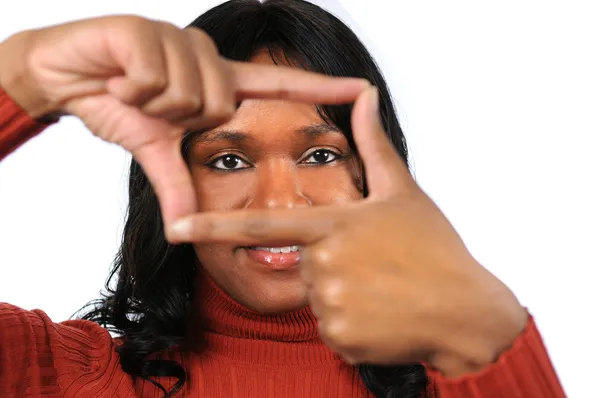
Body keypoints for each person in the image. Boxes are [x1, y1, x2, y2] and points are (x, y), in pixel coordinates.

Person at [0, 0, 566, 397]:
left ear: (373, 172)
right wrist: (22, 80)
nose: (281, 205)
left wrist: (490, 343)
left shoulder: (470, 379)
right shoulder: (53, 375)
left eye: (320, 155)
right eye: (228, 160)